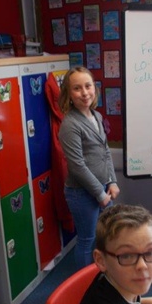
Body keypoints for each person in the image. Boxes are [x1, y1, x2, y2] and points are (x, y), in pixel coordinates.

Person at [58, 66, 120, 268]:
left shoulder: (96, 116)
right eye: (77, 88)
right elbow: (77, 165)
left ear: (95, 88)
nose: (84, 93)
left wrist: (111, 181)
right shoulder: (70, 125)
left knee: (107, 234)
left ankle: (103, 272)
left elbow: (105, 151)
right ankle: (84, 283)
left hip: (103, 187)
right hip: (81, 193)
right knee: (87, 239)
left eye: (88, 86)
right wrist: (99, 194)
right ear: (69, 94)